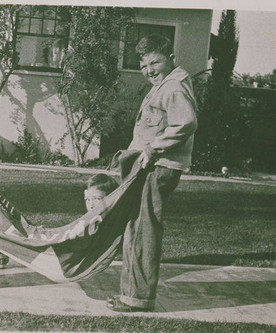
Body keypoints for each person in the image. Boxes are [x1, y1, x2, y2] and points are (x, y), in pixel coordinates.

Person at [107, 34, 197, 312]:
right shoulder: (164, 85)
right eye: (144, 65)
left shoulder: (172, 87)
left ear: (170, 59)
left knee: (144, 229)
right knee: (137, 227)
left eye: (155, 62)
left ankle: (138, 299)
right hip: (152, 165)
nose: (149, 70)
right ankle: (132, 295)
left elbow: (186, 123)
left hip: (158, 167)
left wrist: (153, 149)